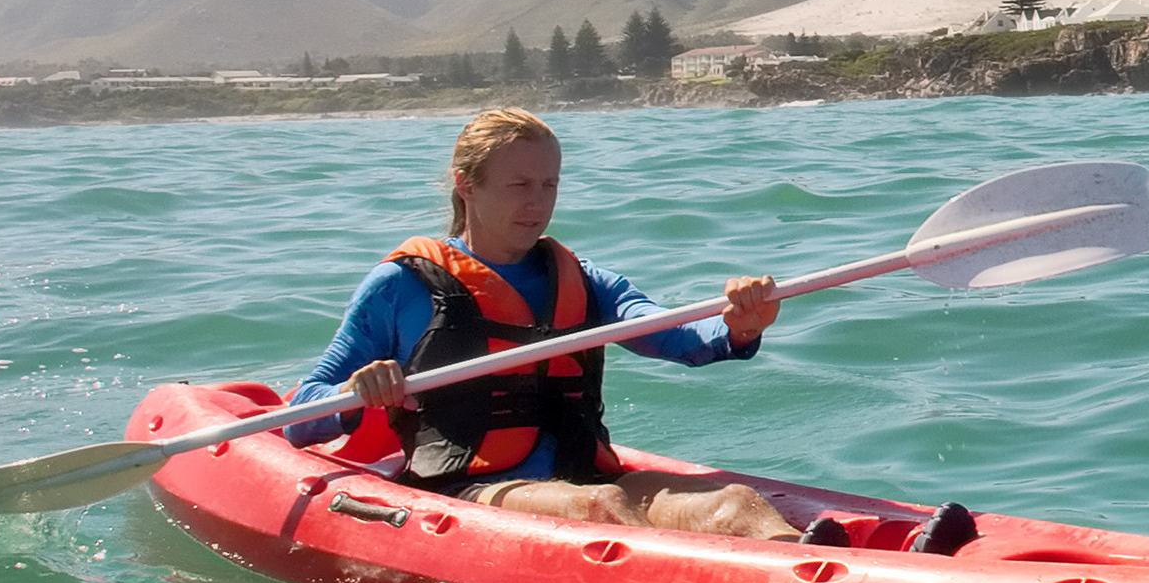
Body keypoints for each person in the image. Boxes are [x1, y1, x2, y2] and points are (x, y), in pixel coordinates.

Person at [287, 106, 843, 542]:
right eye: (520, 186)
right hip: (470, 491)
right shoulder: (401, 286)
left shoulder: (582, 278)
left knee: (735, 502)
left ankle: (825, 578)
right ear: (467, 185)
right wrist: (357, 392)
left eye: (549, 185)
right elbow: (301, 418)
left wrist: (741, 326)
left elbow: (677, 337)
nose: (537, 204)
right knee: (597, 508)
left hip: (587, 477)